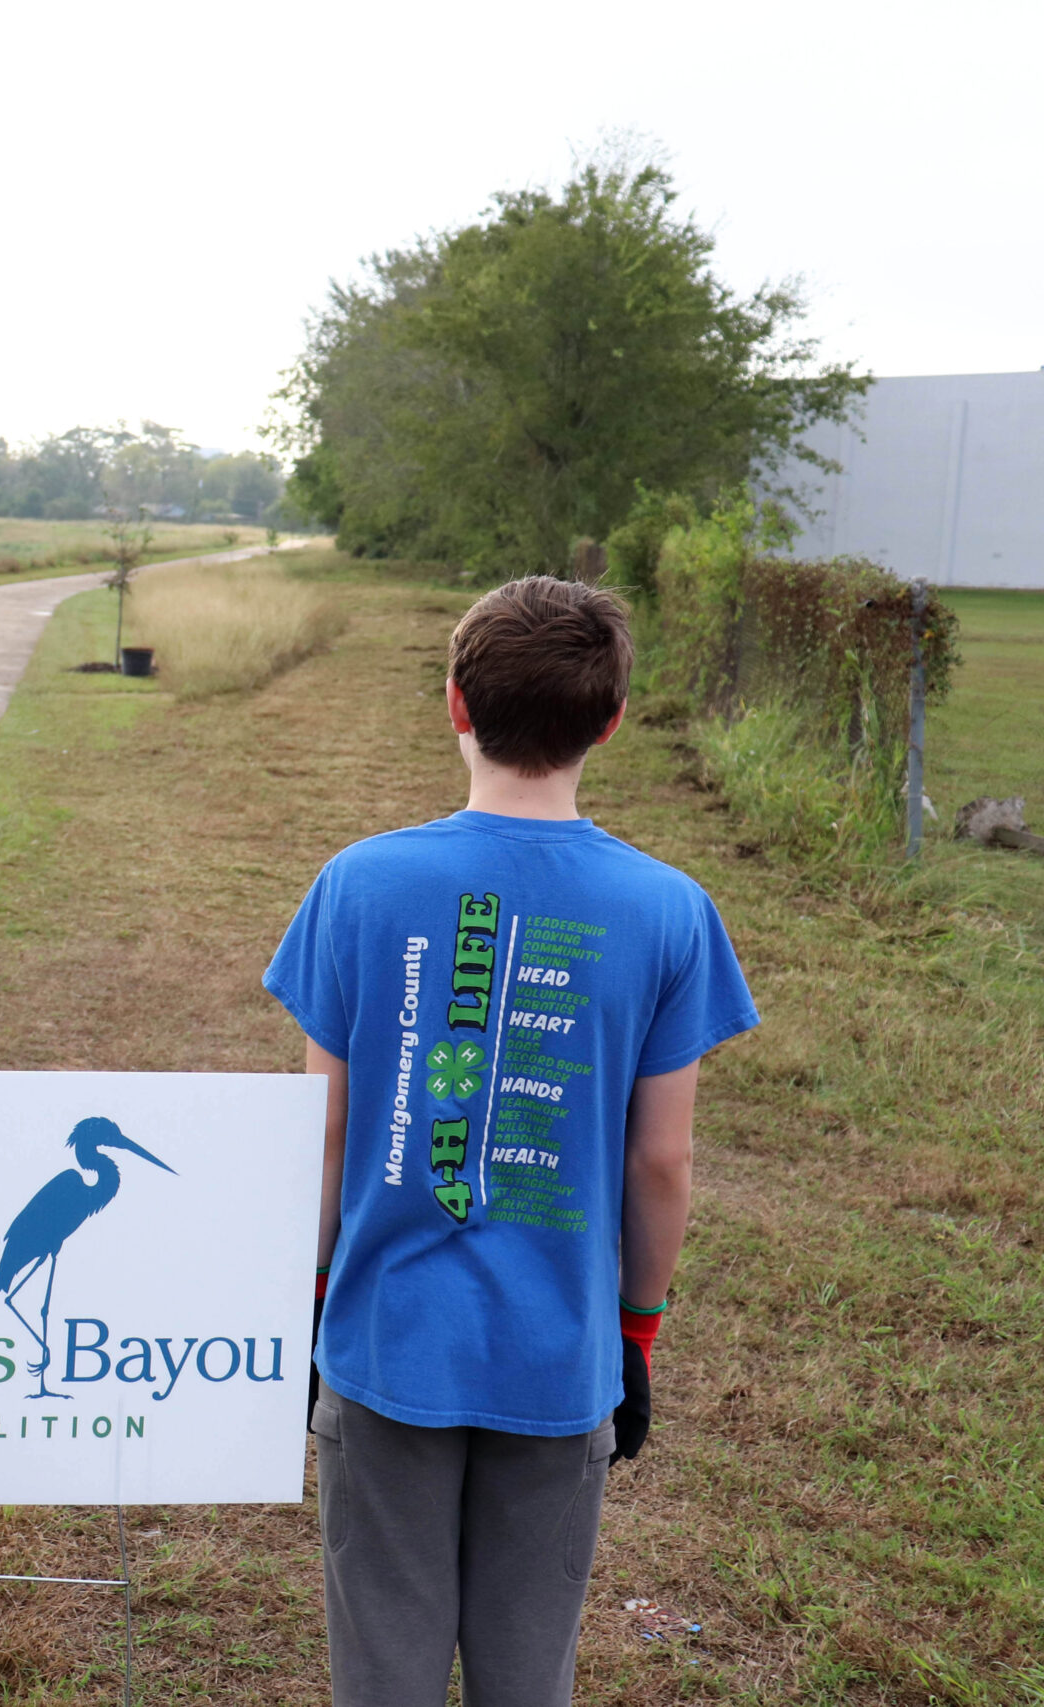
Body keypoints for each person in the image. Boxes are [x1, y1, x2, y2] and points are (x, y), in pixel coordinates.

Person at [261, 576, 758, 1707]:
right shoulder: (668, 908)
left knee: (381, 1662)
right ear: (610, 719)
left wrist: (314, 1287)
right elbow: (660, 1161)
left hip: (385, 1341)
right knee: (526, 1670)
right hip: (561, 1352)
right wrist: (634, 1329)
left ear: (453, 704)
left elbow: (325, 1128)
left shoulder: (359, 883)